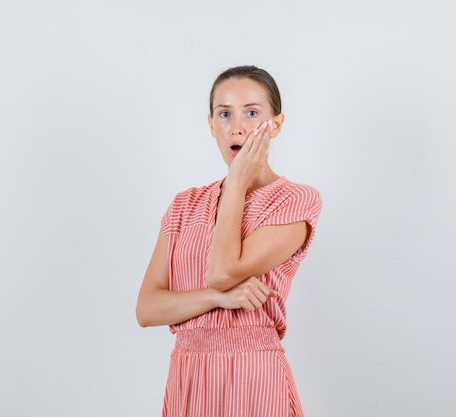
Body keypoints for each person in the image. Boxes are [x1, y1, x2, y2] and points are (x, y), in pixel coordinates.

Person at [136, 65, 322, 417]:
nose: (237, 126)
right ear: (211, 126)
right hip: (189, 376)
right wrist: (217, 298)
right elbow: (146, 309)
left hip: (253, 375)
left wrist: (236, 183)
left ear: (276, 124)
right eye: (225, 114)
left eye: (252, 113)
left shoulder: (295, 200)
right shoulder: (184, 205)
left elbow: (224, 271)